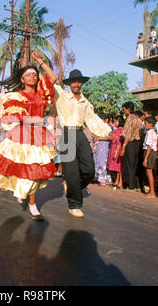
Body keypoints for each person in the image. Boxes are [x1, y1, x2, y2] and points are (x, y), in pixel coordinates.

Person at [0, 52, 57, 221]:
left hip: (39, 134)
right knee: (23, 169)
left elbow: (52, 79)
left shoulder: (41, 93)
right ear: (22, 79)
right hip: (21, 134)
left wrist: (41, 62)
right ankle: (27, 199)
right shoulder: (15, 95)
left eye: (35, 74)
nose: (33, 77)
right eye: (29, 75)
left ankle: (29, 200)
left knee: (36, 171)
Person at [54, 69, 112, 218]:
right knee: (71, 172)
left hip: (80, 134)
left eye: (79, 81)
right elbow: (51, 79)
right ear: (69, 84)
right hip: (67, 135)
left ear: (81, 83)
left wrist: (105, 130)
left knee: (89, 170)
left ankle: (72, 185)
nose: (76, 84)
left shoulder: (85, 101)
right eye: (73, 81)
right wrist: (41, 63)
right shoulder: (62, 95)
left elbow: (92, 118)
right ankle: (74, 205)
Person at [120, 102, 143, 191]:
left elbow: (127, 135)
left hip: (130, 144)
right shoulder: (138, 119)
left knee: (129, 164)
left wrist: (123, 147)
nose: (123, 111)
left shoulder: (129, 119)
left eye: (124, 109)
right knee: (135, 164)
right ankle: (137, 185)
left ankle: (131, 186)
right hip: (137, 144)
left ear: (128, 109)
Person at [93, 114, 112, 186]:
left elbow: (110, 137)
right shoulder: (97, 128)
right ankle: (98, 178)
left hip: (104, 146)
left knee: (103, 162)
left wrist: (100, 138)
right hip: (98, 146)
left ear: (106, 120)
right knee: (97, 161)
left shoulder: (109, 128)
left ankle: (104, 180)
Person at [143, 116, 158, 198]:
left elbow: (149, 146)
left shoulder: (150, 132)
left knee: (149, 172)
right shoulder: (152, 132)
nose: (144, 125)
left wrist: (145, 158)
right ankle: (151, 191)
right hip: (151, 152)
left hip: (150, 152)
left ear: (151, 124)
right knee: (149, 172)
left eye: (145, 123)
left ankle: (152, 192)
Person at [107, 116, 124, 189]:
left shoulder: (120, 130)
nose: (114, 123)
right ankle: (117, 181)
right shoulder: (116, 130)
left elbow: (119, 142)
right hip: (113, 148)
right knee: (116, 167)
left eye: (116, 121)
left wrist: (116, 152)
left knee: (119, 166)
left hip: (117, 149)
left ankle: (120, 182)